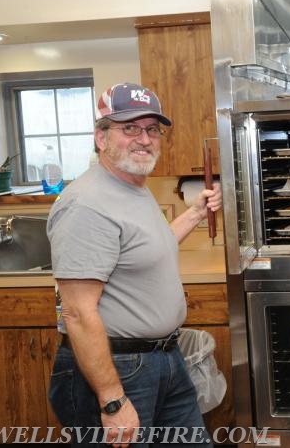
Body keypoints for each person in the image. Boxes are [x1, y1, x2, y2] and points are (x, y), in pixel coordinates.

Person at [47, 82, 222, 447]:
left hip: (165, 361)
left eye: (152, 129)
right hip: (118, 370)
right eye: (129, 128)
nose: (144, 139)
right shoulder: (87, 203)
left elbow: (148, 249)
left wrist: (194, 214)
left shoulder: (134, 187)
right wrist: (112, 400)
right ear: (101, 137)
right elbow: (78, 312)